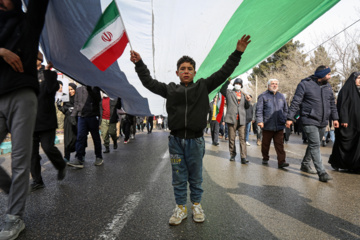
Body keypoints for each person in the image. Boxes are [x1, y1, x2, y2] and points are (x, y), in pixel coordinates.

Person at [130, 34, 251, 226]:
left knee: (196, 177)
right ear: (177, 73)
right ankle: (180, 208)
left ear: (194, 72)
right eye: (182, 69)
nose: (186, 71)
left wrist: (238, 53)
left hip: (195, 141)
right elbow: (148, 82)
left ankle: (196, 205)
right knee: (178, 177)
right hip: (176, 141)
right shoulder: (170, 89)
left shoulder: (203, 86)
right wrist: (139, 64)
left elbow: (223, 71)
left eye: (189, 69)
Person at [0, 0, 49, 239]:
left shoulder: (29, 23)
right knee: (16, 166)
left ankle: (14, 217)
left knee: (20, 159)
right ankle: (12, 189)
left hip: (22, 95)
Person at [286, 66, 339, 182]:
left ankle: (305, 164)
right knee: (315, 145)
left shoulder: (328, 86)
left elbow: (332, 104)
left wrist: (335, 118)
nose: (330, 77)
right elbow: (296, 102)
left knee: (315, 144)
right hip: (309, 119)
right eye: (328, 74)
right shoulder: (305, 84)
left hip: (323, 120)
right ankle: (322, 172)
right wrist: (290, 118)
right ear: (321, 75)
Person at [30, 56, 67, 192]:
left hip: (46, 120)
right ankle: (37, 180)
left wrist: (47, 71)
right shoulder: (25, 74)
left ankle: (61, 165)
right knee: (31, 154)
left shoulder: (49, 75)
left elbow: (52, 88)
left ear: (39, 59)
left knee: (47, 147)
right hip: (29, 121)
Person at [328, 72, 360, 171]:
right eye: (358, 78)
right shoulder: (346, 90)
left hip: (357, 122)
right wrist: (344, 119)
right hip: (347, 123)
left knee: (356, 144)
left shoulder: (358, 91)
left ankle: (354, 165)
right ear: (353, 79)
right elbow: (342, 105)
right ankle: (338, 162)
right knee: (344, 143)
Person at [67, 85, 103, 168]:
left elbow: (98, 99)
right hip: (81, 117)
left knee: (95, 137)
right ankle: (79, 159)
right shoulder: (79, 89)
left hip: (93, 116)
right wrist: (73, 115)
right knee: (80, 138)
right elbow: (76, 103)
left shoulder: (95, 87)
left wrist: (90, 90)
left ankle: (99, 157)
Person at [256, 79, 289, 168]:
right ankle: (265, 157)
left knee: (280, 145)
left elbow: (286, 109)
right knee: (266, 144)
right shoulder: (263, 96)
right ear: (268, 85)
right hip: (267, 124)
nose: (274, 85)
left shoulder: (281, 96)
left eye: (276, 84)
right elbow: (259, 110)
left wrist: (285, 119)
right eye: (272, 84)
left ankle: (281, 162)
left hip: (279, 125)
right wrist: (260, 121)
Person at [220, 77, 251, 163]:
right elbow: (222, 90)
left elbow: (247, 107)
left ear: (241, 85)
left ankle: (243, 157)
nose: (238, 85)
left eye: (240, 84)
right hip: (231, 119)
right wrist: (227, 81)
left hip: (242, 119)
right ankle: (232, 154)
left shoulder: (244, 95)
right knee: (232, 138)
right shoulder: (229, 92)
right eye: (237, 83)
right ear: (234, 84)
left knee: (242, 139)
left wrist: (248, 101)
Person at [57, 83, 77, 162]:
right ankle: (67, 156)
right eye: (68, 90)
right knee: (67, 139)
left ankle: (80, 155)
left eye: (72, 89)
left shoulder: (78, 97)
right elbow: (64, 109)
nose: (70, 91)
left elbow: (80, 106)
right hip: (68, 121)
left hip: (77, 120)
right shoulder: (65, 96)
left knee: (77, 138)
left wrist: (74, 109)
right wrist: (59, 106)